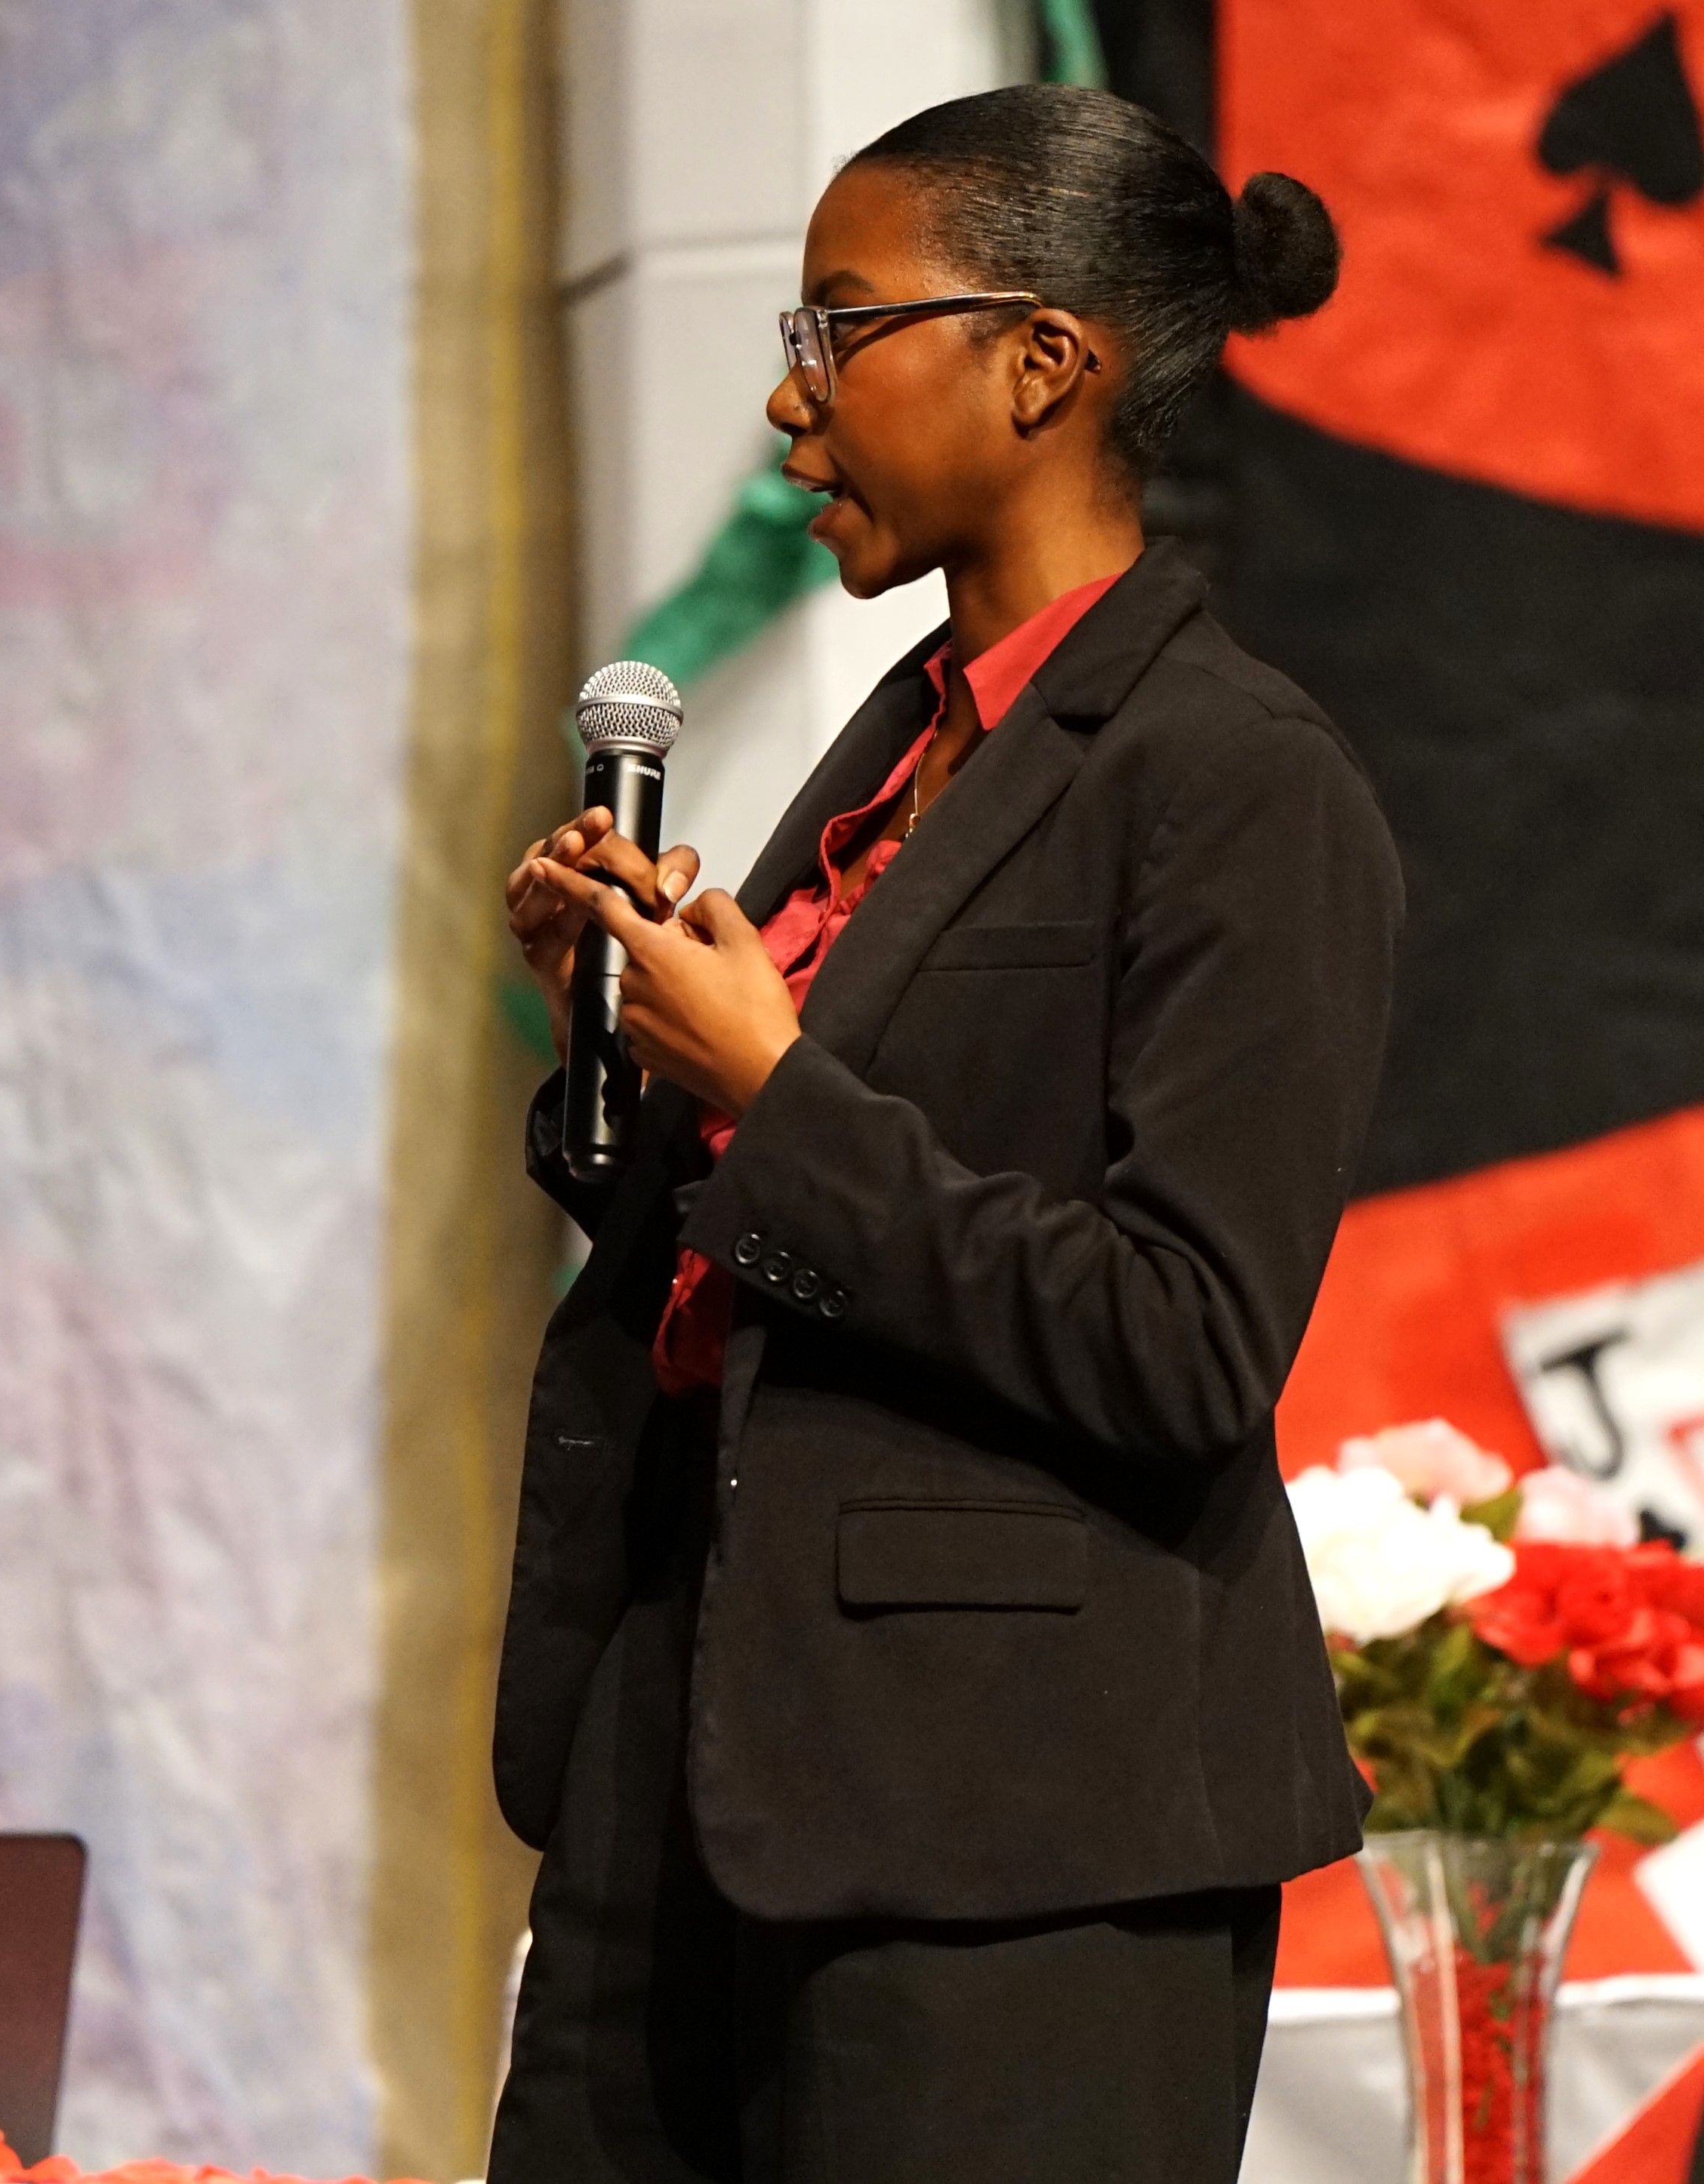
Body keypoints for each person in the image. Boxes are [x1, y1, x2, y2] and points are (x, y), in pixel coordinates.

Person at [488, 85, 1398, 2184]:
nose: (790, 406)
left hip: (1010, 1829)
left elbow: (1178, 1341)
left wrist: (778, 1088)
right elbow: (785, 1257)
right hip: (694, 1740)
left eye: (839, 327)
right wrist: (629, 1064)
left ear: (1041, 361)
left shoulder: (1235, 779)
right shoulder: (906, 745)